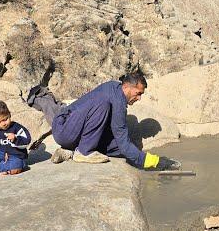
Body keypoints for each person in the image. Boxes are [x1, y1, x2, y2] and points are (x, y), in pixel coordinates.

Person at [50, 72, 180, 171]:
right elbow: (124, 142)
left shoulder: (115, 88)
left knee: (116, 147)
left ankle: (69, 151)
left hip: (71, 131)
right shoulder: (114, 99)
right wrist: (154, 161)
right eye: (138, 93)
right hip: (64, 128)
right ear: (127, 87)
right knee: (103, 105)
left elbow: (120, 142)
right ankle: (83, 152)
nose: (139, 98)